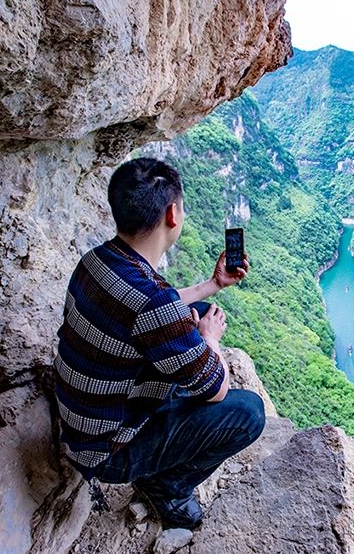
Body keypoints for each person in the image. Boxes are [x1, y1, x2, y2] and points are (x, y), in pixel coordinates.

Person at [52, 157, 264, 529]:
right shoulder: (155, 305)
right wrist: (209, 340)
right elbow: (217, 389)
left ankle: (163, 445)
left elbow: (144, 309)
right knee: (247, 413)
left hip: (80, 416)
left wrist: (212, 285)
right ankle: (165, 487)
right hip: (107, 451)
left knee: (196, 309)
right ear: (172, 214)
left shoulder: (96, 260)